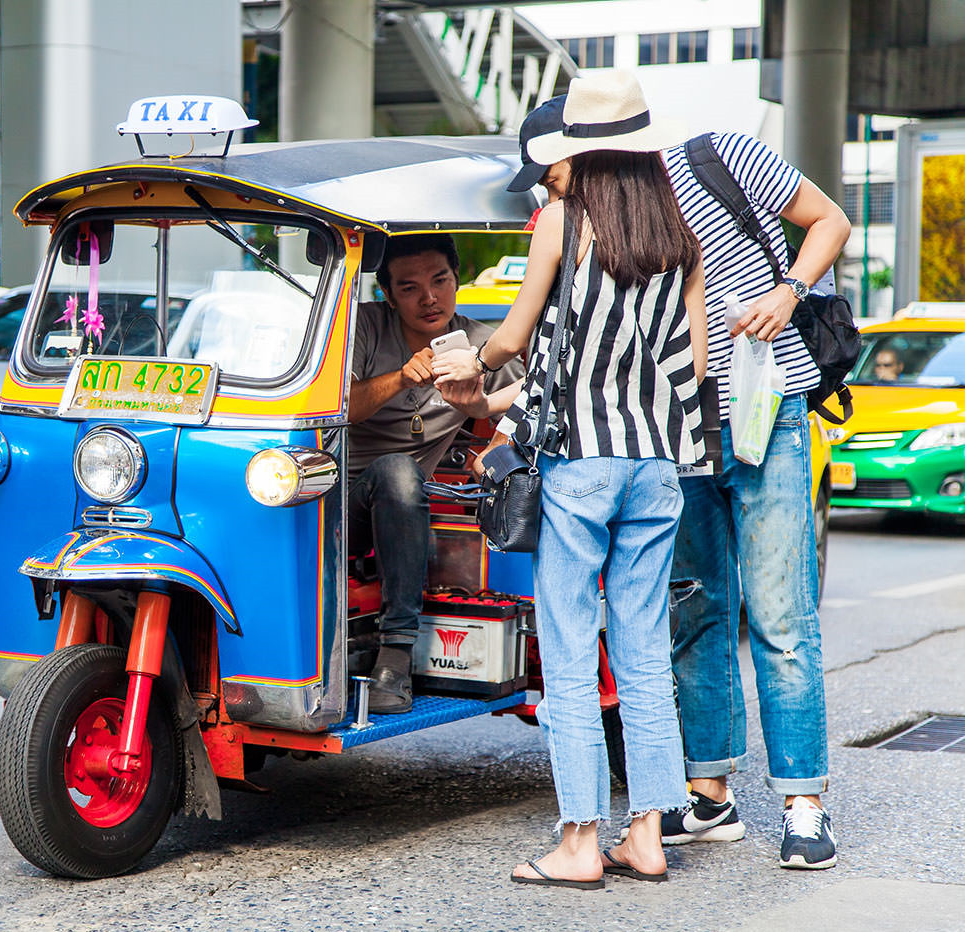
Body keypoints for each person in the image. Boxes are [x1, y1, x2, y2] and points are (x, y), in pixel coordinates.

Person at [435, 70, 708, 888]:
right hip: (658, 466)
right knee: (644, 655)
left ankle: (581, 842)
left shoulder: (561, 220)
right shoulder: (682, 230)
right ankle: (650, 836)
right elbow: (689, 363)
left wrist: (468, 369)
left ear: (579, 151)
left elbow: (516, 337)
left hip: (582, 467)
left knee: (568, 649)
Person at [653, 102, 852, 872]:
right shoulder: (605, 216)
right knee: (697, 610)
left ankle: (804, 807)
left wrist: (790, 291)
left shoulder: (720, 156)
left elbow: (828, 220)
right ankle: (710, 797)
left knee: (779, 613)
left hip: (769, 409)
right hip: (675, 430)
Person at [348, 234, 523, 714]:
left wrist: (496, 443)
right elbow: (341, 408)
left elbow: (534, 395)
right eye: (409, 288)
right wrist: (402, 376)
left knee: (403, 476)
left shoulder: (482, 346)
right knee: (396, 472)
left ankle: (395, 657)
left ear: (457, 280)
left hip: (407, 500)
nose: (429, 298)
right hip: (343, 499)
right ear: (387, 294)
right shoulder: (364, 326)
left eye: (440, 281)